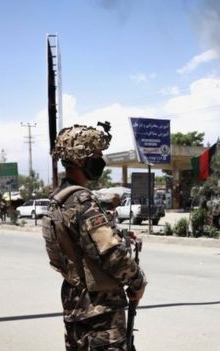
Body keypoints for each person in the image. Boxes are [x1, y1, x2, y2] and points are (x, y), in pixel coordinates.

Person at [44, 124, 147, 351]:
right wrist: (138, 282)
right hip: (100, 310)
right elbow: (112, 255)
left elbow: (77, 248)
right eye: (97, 155)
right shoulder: (83, 200)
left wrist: (117, 233)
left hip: (75, 304)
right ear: (80, 160)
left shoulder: (58, 201)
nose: (101, 160)